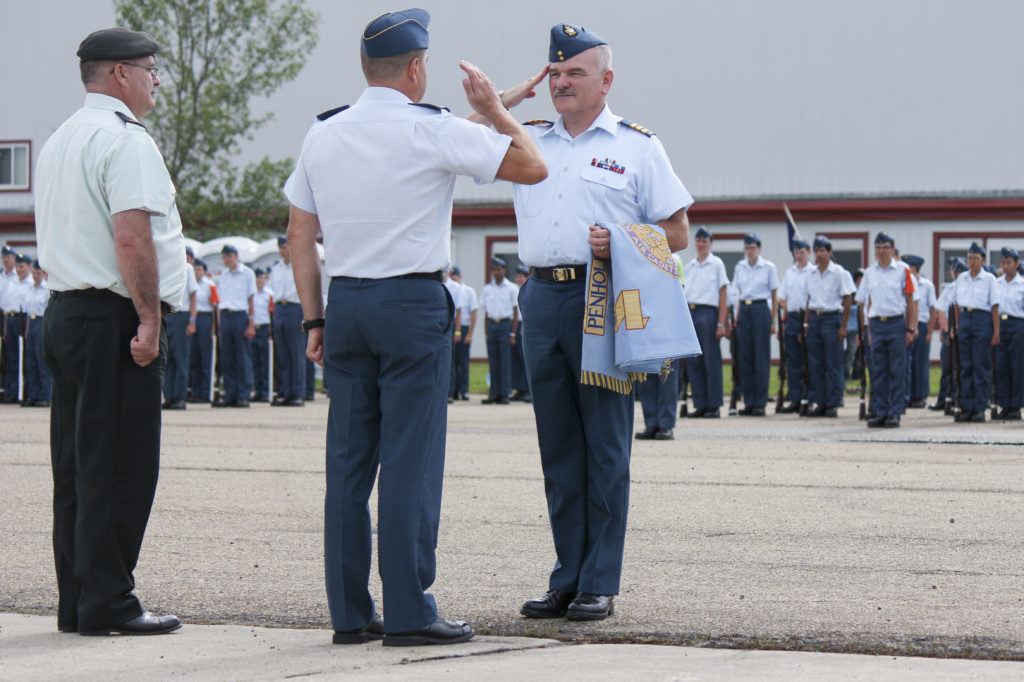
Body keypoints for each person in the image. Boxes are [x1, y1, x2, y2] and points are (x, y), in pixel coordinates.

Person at [283, 8, 546, 646]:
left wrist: (313, 317)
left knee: (348, 465)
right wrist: (498, 107)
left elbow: (299, 237)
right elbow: (532, 164)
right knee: (409, 462)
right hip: (410, 309)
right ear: (418, 68)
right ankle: (408, 610)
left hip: (345, 307)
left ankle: (350, 614)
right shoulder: (430, 130)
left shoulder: (324, 134)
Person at [491, 23, 692, 621]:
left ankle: (600, 580)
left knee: (605, 444)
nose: (561, 83)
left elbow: (677, 231)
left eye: (574, 73)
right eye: (553, 73)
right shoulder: (527, 139)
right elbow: (454, 138)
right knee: (557, 445)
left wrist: (625, 241)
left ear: (606, 80)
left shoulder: (637, 146)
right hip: (542, 299)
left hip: (603, 298)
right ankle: (567, 576)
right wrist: (508, 101)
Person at [34, 27, 184, 635]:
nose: (154, 80)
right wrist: (149, 318)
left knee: (76, 465)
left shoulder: (61, 138)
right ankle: (111, 602)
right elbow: (131, 235)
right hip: (111, 318)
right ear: (119, 74)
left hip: (65, 313)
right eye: (149, 68)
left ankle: (80, 600)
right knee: (121, 463)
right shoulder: (124, 140)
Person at [855, 232, 917, 428]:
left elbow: (911, 300)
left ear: (892, 249)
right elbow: (864, 301)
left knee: (896, 370)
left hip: (896, 323)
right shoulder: (869, 272)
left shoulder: (902, 270)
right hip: (876, 324)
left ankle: (894, 412)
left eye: (885, 247)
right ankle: (880, 411)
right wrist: (867, 330)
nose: (881, 251)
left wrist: (911, 328)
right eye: (878, 247)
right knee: (878, 371)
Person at [804, 236, 855, 417]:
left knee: (833, 363)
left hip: (831, 318)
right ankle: (821, 401)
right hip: (815, 319)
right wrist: (806, 323)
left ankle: (833, 402)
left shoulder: (838, 272)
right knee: (816, 364)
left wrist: (843, 326)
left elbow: (847, 299)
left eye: (823, 250)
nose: (819, 254)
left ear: (829, 252)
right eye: (817, 250)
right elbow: (808, 299)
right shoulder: (810, 273)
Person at [682, 227, 729, 419]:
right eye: (698, 240)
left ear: (710, 243)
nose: (701, 244)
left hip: (708, 313)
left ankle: (714, 405)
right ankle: (700, 404)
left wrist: (721, 323)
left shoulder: (716, 264)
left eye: (705, 241)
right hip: (691, 312)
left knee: (711, 361)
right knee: (694, 362)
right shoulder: (690, 266)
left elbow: (723, 294)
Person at [732, 234, 779, 416]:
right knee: (745, 358)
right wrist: (735, 315)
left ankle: (760, 402)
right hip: (744, 310)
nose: (749, 251)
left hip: (760, 309)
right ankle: (749, 401)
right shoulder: (740, 267)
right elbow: (736, 291)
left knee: (761, 357)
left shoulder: (768, 267)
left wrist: (773, 319)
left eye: (752, 247)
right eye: (747, 247)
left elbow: (775, 293)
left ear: (759, 248)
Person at [951, 242, 999, 422]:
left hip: (982, 319)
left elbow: (994, 306)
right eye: (969, 258)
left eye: (976, 258)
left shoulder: (989, 279)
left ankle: (979, 408)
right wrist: (956, 326)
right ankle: (967, 407)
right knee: (966, 366)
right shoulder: (961, 278)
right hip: (965, 319)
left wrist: (996, 332)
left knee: (981, 365)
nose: (972, 262)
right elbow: (956, 304)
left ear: (983, 260)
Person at [213, 244, 256, 407]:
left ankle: (243, 394)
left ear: (236, 256)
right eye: (224, 257)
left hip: (240, 316)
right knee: (227, 358)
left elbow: (251, 299)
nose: (226, 260)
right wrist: (218, 325)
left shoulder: (248, 273)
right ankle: (230, 394)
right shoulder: (223, 275)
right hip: (225, 316)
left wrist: (251, 323)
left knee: (242, 356)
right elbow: (220, 302)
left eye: (229, 256)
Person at [269, 235, 306, 406]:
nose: (283, 251)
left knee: (296, 353)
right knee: (282, 354)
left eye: (285, 247)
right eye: (281, 248)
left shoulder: (300, 265)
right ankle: (284, 392)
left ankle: (297, 393)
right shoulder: (276, 269)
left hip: (295, 308)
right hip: (280, 308)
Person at [777, 240, 812, 413]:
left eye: (802, 252)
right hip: (792, 317)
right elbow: (781, 298)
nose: (799, 255)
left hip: (808, 318)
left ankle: (809, 397)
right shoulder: (789, 272)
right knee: (792, 362)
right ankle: (795, 398)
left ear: (809, 253)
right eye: (796, 252)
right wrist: (790, 309)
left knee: (808, 361)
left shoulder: (813, 272)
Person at [479, 257, 519, 405]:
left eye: (499, 269)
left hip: (505, 325)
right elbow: (485, 313)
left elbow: (516, 313)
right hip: (492, 325)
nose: (497, 272)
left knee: (505, 361)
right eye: (494, 269)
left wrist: (513, 333)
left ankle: (504, 394)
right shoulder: (487, 289)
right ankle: (493, 393)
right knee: (493, 361)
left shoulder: (511, 288)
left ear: (504, 270)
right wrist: (486, 332)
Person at [162, 253, 197, 410]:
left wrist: (192, 321)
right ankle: (169, 395)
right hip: (167, 314)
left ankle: (180, 397)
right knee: (167, 359)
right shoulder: (166, 265)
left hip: (182, 314)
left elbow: (193, 295)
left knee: (181, 358)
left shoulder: (187, 268)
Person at [994, 247, 1024, 420]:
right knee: (1001, 366)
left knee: (1017, 366)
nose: (1006, 266)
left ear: (1016, 264)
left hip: (1017, 324)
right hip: (1001, 324)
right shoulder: (997, 283)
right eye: (1003, 263)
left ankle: (1016, 406)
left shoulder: (1022, 285)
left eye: (1009, 263)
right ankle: (1004, 404)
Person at [901, 255, 934, 408]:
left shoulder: (927, 285)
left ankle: (920, 396)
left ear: (913, 268)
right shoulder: (903, 283)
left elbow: (933, 309)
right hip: (906, 325)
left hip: (921, 324)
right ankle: (907, 395)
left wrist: (929, 331)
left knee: (920, 362)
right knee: (907, 362)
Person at [1, 254, 32, 402]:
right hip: (10, 318)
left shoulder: (31, 283)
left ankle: (23, 392)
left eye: (22, 266)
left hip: (23, 319)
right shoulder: (12, 282)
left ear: (29, 267)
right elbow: (6, 304)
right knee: (11, 358)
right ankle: (11, 391)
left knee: (24, 357)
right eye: (18, 266)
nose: (19, 269)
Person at [21, 261, 52, 407]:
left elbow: (48, 313)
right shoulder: (30, 289)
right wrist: (27, 331)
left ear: (43, 273)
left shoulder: (47, 290)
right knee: (30, 361)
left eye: (38, 272)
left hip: (41, 323)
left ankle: (45, 396)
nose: (35, 275)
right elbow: (28, 313)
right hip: (31, 323)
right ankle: (32, 396)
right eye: (34, 272)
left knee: (41, 362)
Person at [189, 259, 218, 403]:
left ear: (204, 271)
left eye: (199, 269)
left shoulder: (210, 285)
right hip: (193, 318)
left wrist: (213, 327)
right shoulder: (189, 283)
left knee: (205, 356)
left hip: (205, 319)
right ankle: (195, 392)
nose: (196, 272)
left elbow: (214, 307)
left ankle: (206, 393)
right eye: (194, 269)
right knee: (194, 357)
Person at [449, 267, 476, 400]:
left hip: (464, 327)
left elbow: (474, 313)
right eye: (452, 276)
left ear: (461, 276)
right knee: (452, 361)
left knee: (463, 362)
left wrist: (470, 334)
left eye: (456, 276)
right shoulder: (450, 289)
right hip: (453, 326)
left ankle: (464, 390)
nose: (454, 278)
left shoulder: (469, 291)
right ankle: (453, 390)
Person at [250, 268, 274, 403]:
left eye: (261, 278)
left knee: (265, 362)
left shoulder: (269, 295)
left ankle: (265, 391)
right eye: (257, 278)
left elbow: (272, 314)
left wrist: (271, 332)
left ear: (265, 280)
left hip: (264, 329)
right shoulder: (251, 294)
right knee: (255, 362)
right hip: (253, 329)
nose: (259, 281)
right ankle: (257, 390)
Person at [509, 264, 532, 402]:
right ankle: (518, 388)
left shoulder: (529, 288)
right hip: (514, 326)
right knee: (515, 359)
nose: (518, 279)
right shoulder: (512, 290)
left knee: (525, 359)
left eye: (521, 276)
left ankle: (527, 390)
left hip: (525, 324)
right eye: (517, 277)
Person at [442, 268, 465, 404]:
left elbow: (459, 310)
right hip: (437, 324)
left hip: (450, 325)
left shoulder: (455, 287)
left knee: (449, 361)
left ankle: (449, 392)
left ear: (448, 272)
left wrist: (457, 331)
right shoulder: (437, 284)